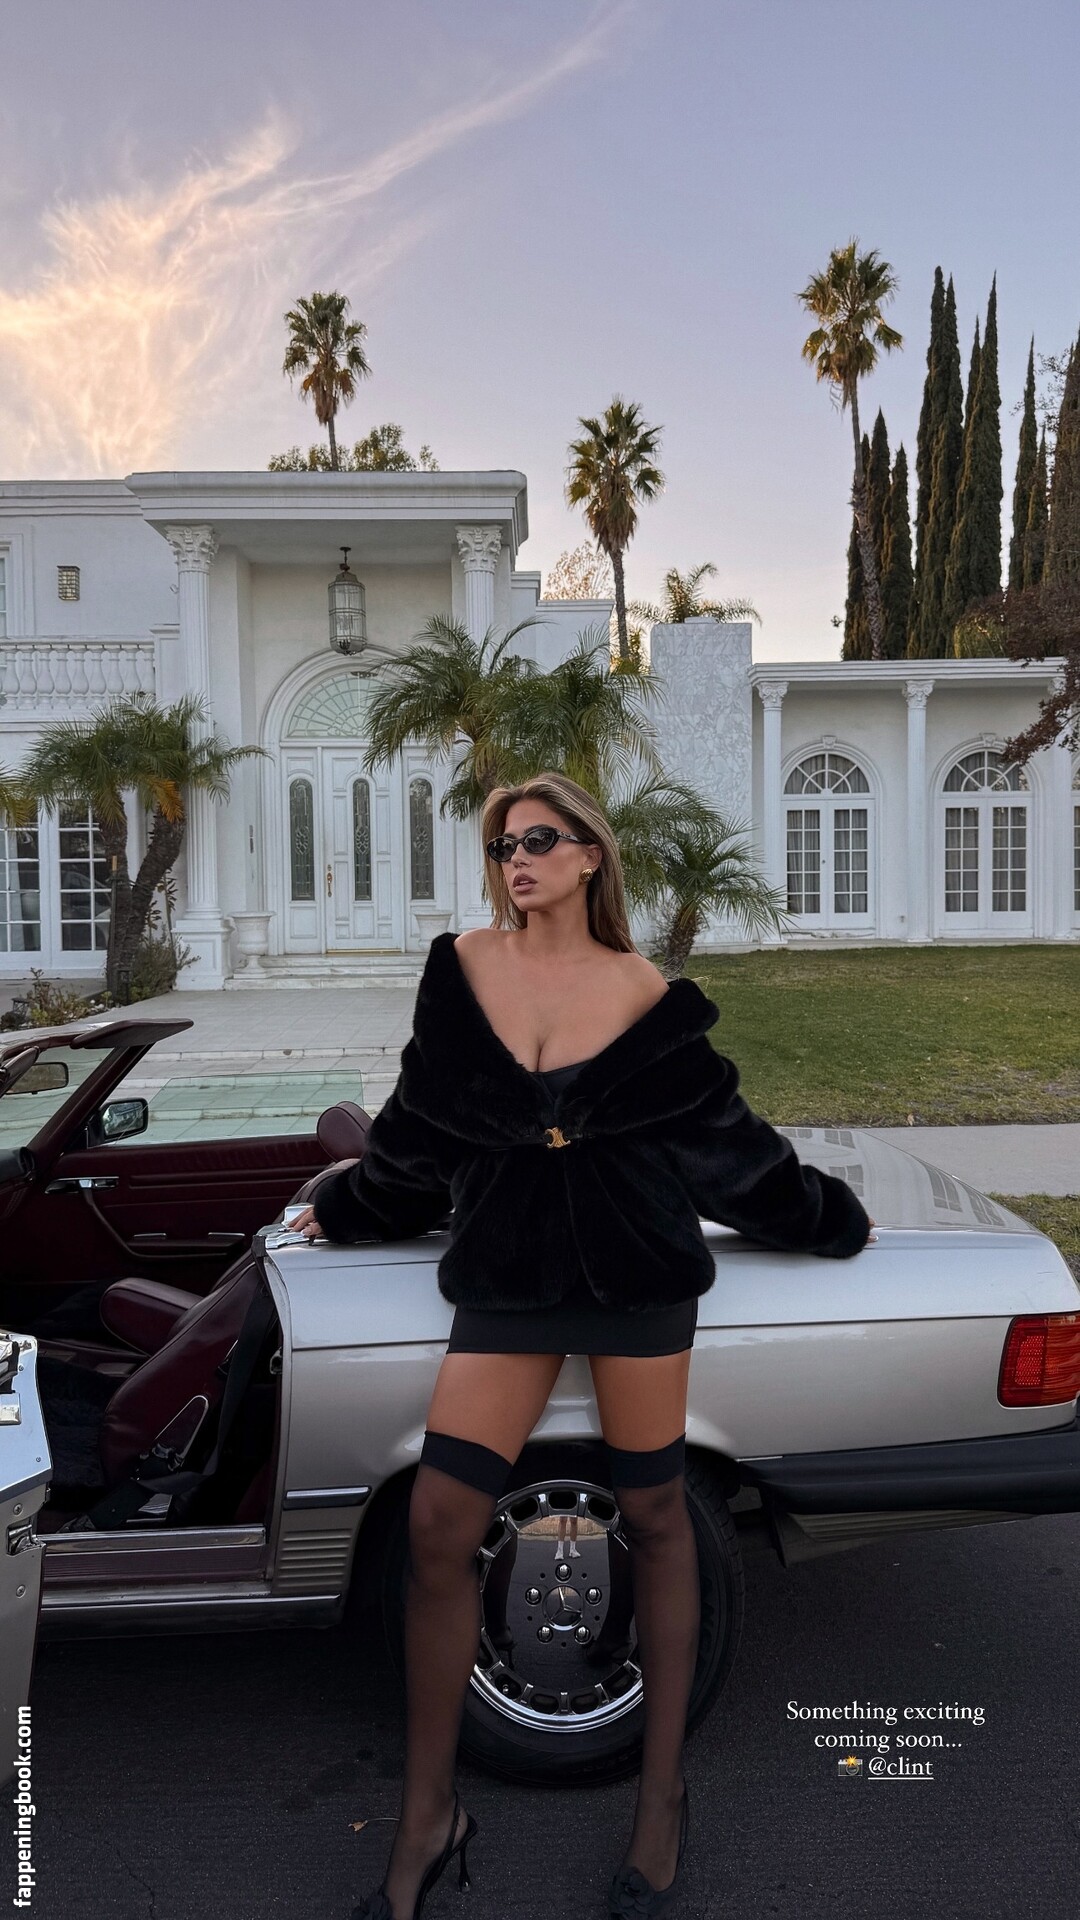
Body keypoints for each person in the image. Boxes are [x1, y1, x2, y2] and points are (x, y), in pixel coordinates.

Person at [290, 771, 875, 1920]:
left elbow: (728, 1153)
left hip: (635, 1279)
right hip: (508, 1281)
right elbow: (417, 1132)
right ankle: (428, 1816)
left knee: (655, 1517)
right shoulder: (464, 967)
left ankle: (661, 1799)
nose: (517, 859)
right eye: (502, 844)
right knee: (438, 1525)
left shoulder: (643, 992)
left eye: (540, 839)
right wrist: (351, 1206)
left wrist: (825, 1217)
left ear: (591, 855)